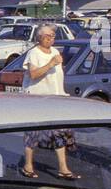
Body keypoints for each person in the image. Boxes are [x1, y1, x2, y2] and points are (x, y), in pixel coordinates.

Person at [19, 25, 79, 180]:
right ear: (39, 37)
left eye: (53, 36)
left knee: (60, 132)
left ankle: (63, 168)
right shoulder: (34, 53)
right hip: (37, 99)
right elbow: (33, 74)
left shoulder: (54, 52)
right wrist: (51, 64)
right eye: (48, 36)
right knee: (33, 133)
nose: (51, 39)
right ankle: (28, 165)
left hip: (56, 98)